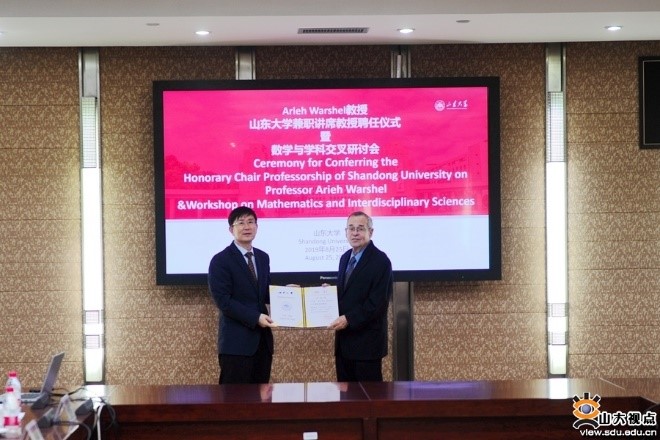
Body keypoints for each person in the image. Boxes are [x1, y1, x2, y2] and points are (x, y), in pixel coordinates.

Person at [208, 206, 276, 384]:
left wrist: (287, 292)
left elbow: (263, 293)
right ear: (231, 229)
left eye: (251, 222)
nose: (247, 227)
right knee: (234, 398)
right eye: (241, 223)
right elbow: (223, 301)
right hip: (236, 345)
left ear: (257, 227)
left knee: (260, 397)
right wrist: (256, 318)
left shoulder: (263, 257)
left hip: (262, 344)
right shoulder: (220, 260)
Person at [328, 211, 393, 382]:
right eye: (351, 228)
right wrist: (328, 293)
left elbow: (378, 303)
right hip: (344, 344)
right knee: (345, 395)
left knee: (368, 397)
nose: (355, 233)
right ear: (346, 232)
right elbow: (348, 293)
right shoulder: (344, 258)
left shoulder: (381, 261)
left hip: (366, 346)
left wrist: (348, 319)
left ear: (370, 232)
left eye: (360, 228)